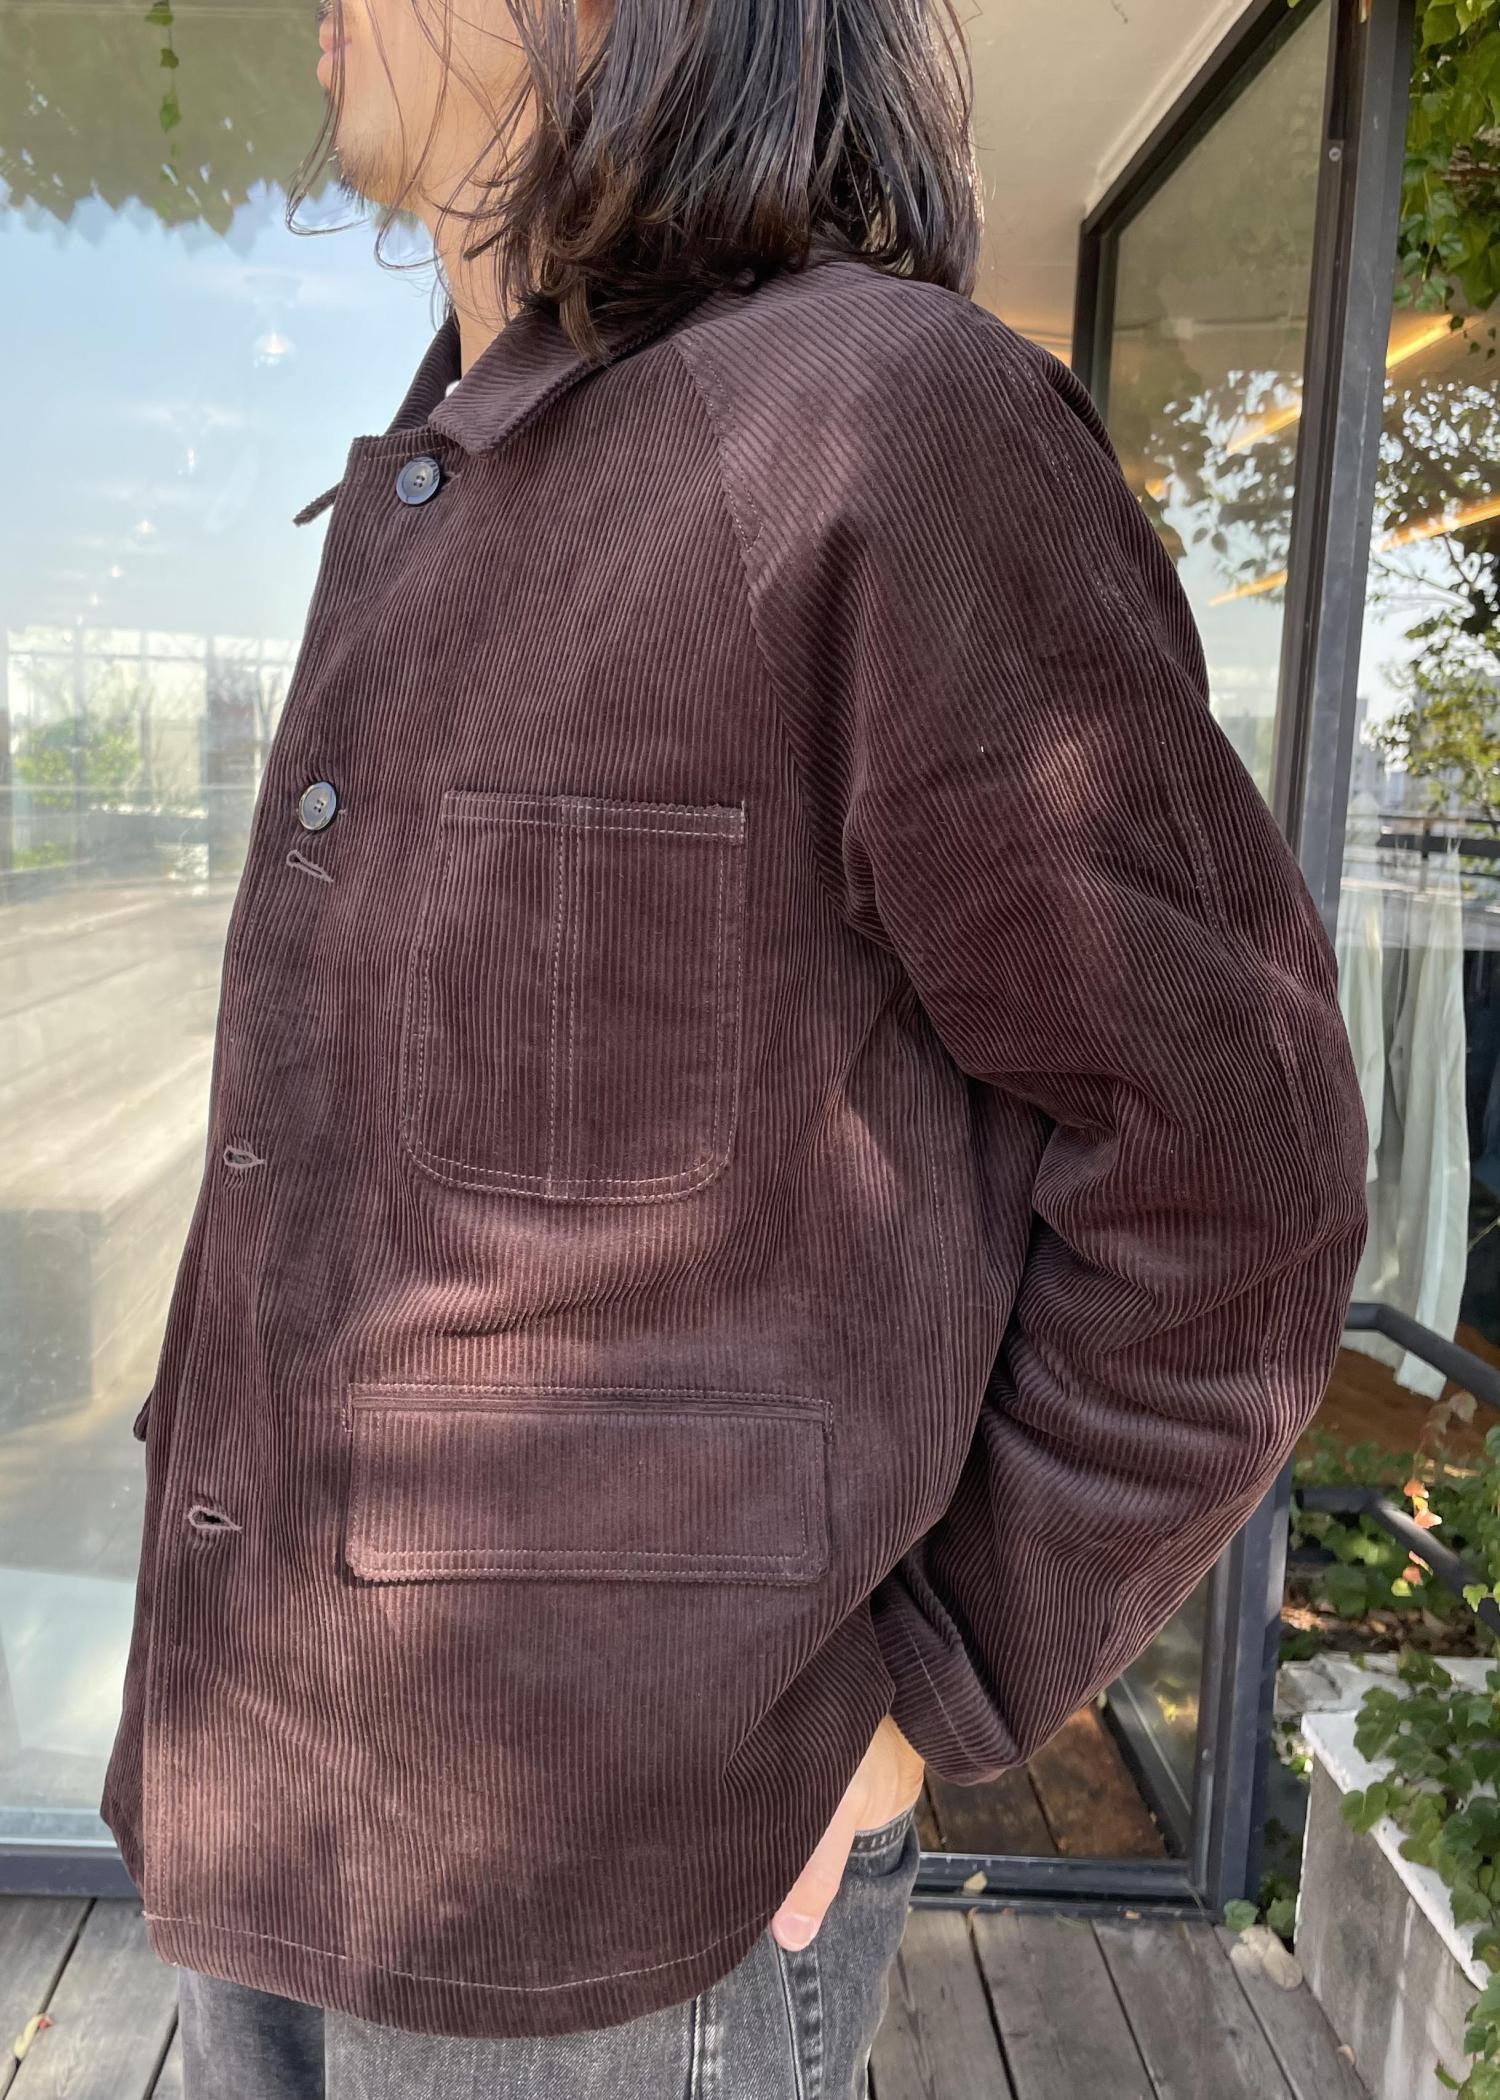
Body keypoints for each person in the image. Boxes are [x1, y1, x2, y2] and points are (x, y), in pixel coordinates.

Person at [98, 0, 1371, 2092]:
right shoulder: (440, 488)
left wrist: (939, 1682)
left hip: (623, 1902)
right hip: (269, 1803)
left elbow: (1237, 1161)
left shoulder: (882, 429)